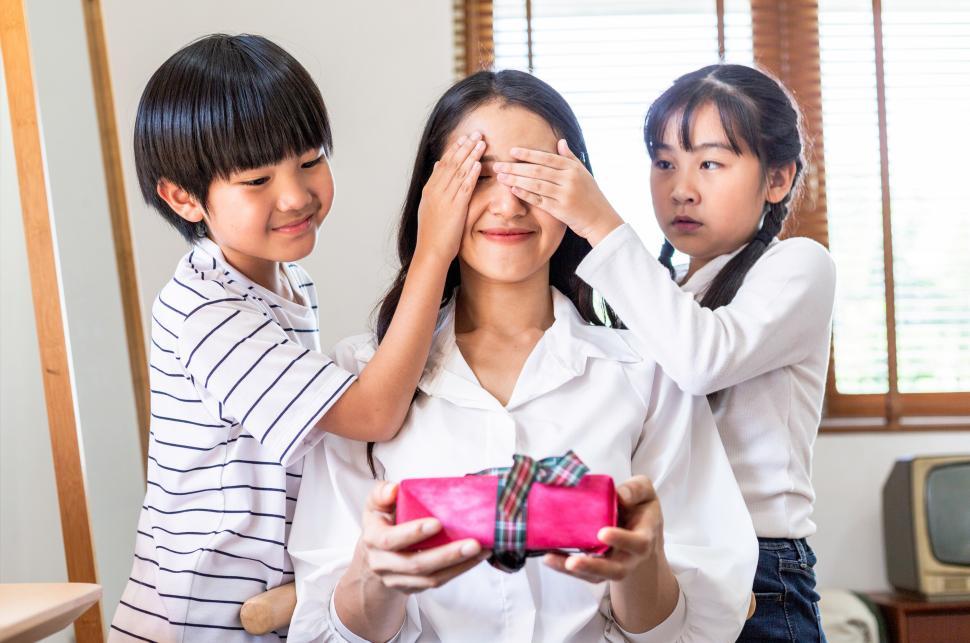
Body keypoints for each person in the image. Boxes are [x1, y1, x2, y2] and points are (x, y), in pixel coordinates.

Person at [287, 69, 757, 643]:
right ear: (431, 195)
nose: (508, 204)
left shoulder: (648, 374)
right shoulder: (358, 383)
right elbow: (319, 632)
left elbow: (700, 629)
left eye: (534, 175)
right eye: (476, 175)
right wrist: (377, 573)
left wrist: (641, 566)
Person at [109, 34, 484, 641]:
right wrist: (433, 248)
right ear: (184, 197)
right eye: (257, 180)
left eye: (309, 160)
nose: (295, 195)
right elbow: (375, 412)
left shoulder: (289, 284)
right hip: (197, 615)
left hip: (260, 605)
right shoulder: (209, 314)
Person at [491, 63, 836, 642]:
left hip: (760, 568)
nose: (681, 188)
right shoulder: (660, 288)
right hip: (659, 565)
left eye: (710, 163)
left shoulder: (797, 266)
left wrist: (600, 222)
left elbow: (702, 360)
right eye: (663, 162)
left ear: (777, 179)